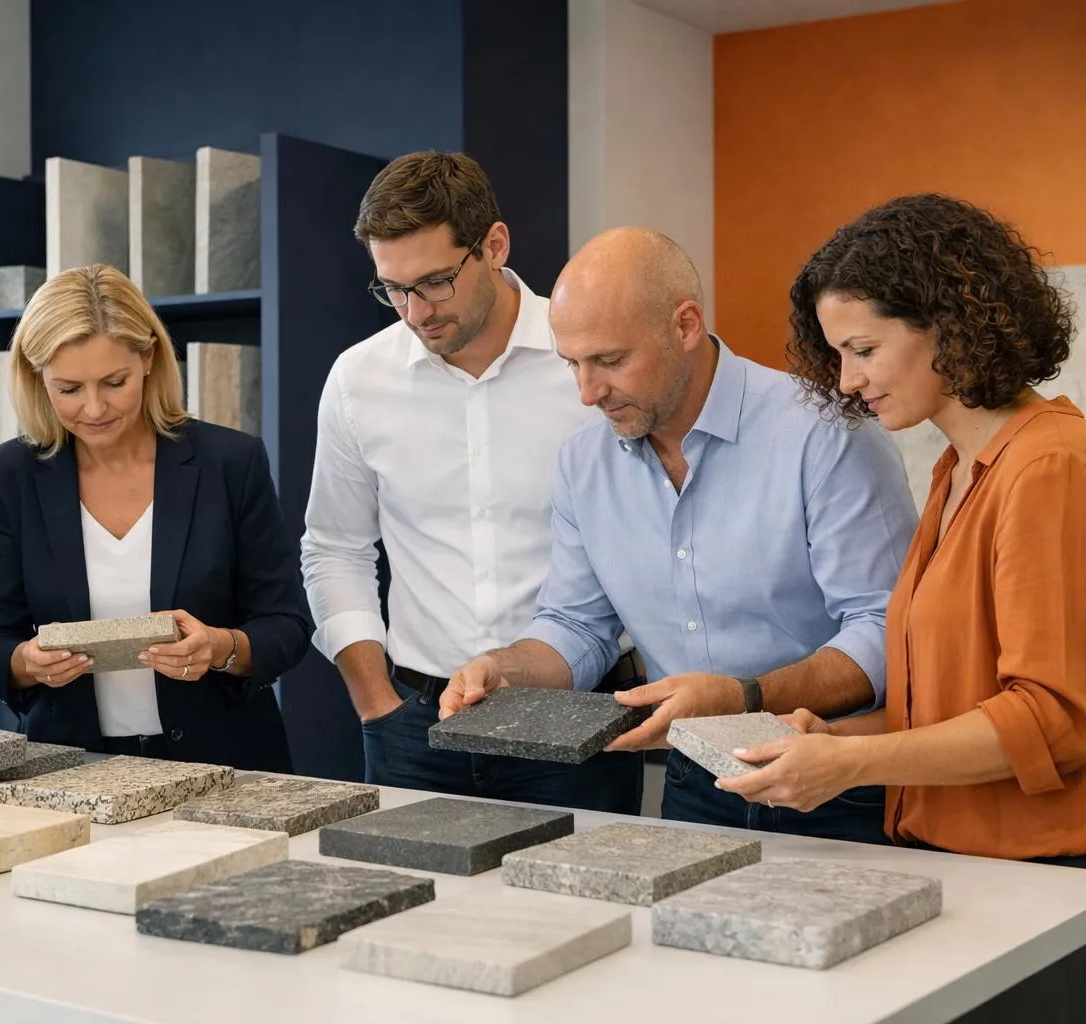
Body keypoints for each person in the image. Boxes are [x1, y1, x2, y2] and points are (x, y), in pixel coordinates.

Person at [440, 227, 918, 843]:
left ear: (686, 325)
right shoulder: (583, 464)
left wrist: (741, 697)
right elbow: (577, 625)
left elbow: (886, 631)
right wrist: (506, 669)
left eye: (610, 361)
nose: (587, 393)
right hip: (694, 784)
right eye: (572, 364)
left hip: (839, 784)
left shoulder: (826, 436)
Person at [719, 194, 1086, 866]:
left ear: (951, 324)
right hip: (958, 859)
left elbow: (1052, 719)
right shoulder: (956, 471)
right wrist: (837, 739)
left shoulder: (1049, 465)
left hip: (1042, 873)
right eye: (838, 355)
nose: (847, 381)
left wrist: (853, 764)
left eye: (863, 350)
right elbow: (950, 706)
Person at [300, 151, 644, 811]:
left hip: (574, 715)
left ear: (494, 246)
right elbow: (335, 546)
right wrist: (375, 702)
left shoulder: (587, 363)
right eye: (392, 288)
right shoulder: (358, 379)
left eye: (434, 282)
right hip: (413, 723)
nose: (414, 312)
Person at [0, 264, 308, 772]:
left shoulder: (231, 462)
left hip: (225, 761)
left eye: (114, 382)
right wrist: (28, 663)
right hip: (73, 768)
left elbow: (287, 624)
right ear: (38, 379)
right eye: (69, 389)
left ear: (148, 357)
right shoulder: (11, 473)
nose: (94, 408)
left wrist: (220, 647)